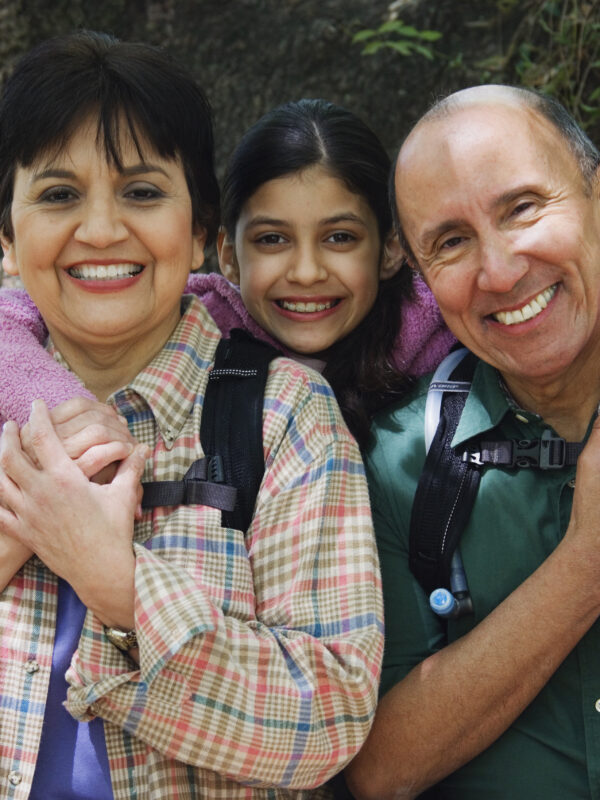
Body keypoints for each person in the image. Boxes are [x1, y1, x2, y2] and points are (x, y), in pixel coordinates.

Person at [0, 31, 384, 799]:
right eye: (57, 194)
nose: (102, 230)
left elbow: (330, 720)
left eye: (142, 192)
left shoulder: (283, 415)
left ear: (205, 232)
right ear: (6, 239)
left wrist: (117, 583)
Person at [343, 83, 600, 800]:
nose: (501, 271)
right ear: (421, 278)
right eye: (451, 242)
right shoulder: (398, 462)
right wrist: (585, 568)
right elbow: (377, 769)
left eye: (521, 208)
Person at [0, 99, 456, 450]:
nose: (306, 272)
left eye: (339, 238)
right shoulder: (198, 319)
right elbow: (13, 313)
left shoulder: (441, 327)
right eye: (272, 240)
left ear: (391, 249)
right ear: (228, 256)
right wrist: (63, 411)